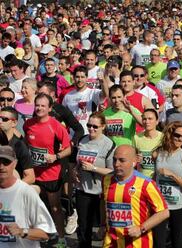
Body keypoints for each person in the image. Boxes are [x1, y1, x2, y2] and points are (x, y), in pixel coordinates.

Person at [23, 93, 72, 246]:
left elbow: (68, 149)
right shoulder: (28, 124)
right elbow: (27, 142)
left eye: (43, 106)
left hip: (52, 174)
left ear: (50, 108)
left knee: (55, 207)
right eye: (37, 105)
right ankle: (38, 236)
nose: (39, 108)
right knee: (33, 206)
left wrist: (56, 156)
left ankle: (62, 238)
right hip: (34, 174)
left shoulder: (56, 126)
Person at [101, 145, 169, 248]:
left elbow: (164, 212)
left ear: (134, 162)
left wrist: (141, 228)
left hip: (137, 243)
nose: (116, 164)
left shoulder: (146, 184)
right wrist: (103, 224)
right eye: (114, 160)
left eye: (122, 160)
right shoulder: (107, 179)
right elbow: (104, 203)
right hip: (111, 242)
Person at [0, 145, 57, 248]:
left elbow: (46, 232)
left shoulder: (26, 192)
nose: (1, 166)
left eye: (6, 162)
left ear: (15, 163)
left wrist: (22, 232)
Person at [74, 113, 115, 248]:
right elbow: (77, 163)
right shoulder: (82, 140)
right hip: (82, 189)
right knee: (84, 225)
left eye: (95, 126)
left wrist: (94, 168)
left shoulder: (108, 144)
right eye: (89, 125)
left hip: (100, 192)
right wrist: (75, 171)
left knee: (105, 227)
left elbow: (112, 171)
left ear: (103, 127)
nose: (91, 129)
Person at [153, 121, 182, 248]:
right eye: (177, 135)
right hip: (160, 205)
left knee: (177, 241)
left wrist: (172, 175)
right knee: (158, 242)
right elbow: (155, 178)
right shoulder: (157, 153)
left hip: (178, 205)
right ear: (170, 134)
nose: (180, 139)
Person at [0, 107, 34, 184]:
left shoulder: (19, 145)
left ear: (14, 123)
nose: (0, 121)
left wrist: (13, 188)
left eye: (4, 119)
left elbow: (31, 177)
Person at [133, 109, 163, 178]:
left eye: (150, 119)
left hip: (158, 179)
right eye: (144, 119)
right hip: (142, 179)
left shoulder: (163, 138)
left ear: (157, 121)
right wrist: (136, 159)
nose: (147, 122)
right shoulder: (136, 138)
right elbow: (132, 160)